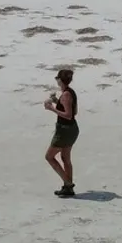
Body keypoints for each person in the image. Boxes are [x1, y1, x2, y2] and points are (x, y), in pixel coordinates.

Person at [44, 67, 79, 197]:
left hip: (64, 130)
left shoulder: (66, 95)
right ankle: (68, 189)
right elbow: (74, 112)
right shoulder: (70, 92)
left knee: (49, 157)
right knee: (65, 158)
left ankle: (68, 183)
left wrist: (51, 109)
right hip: (72, 129)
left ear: (60, 80)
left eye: (57, 78)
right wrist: (56, 101)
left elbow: (69, 115)